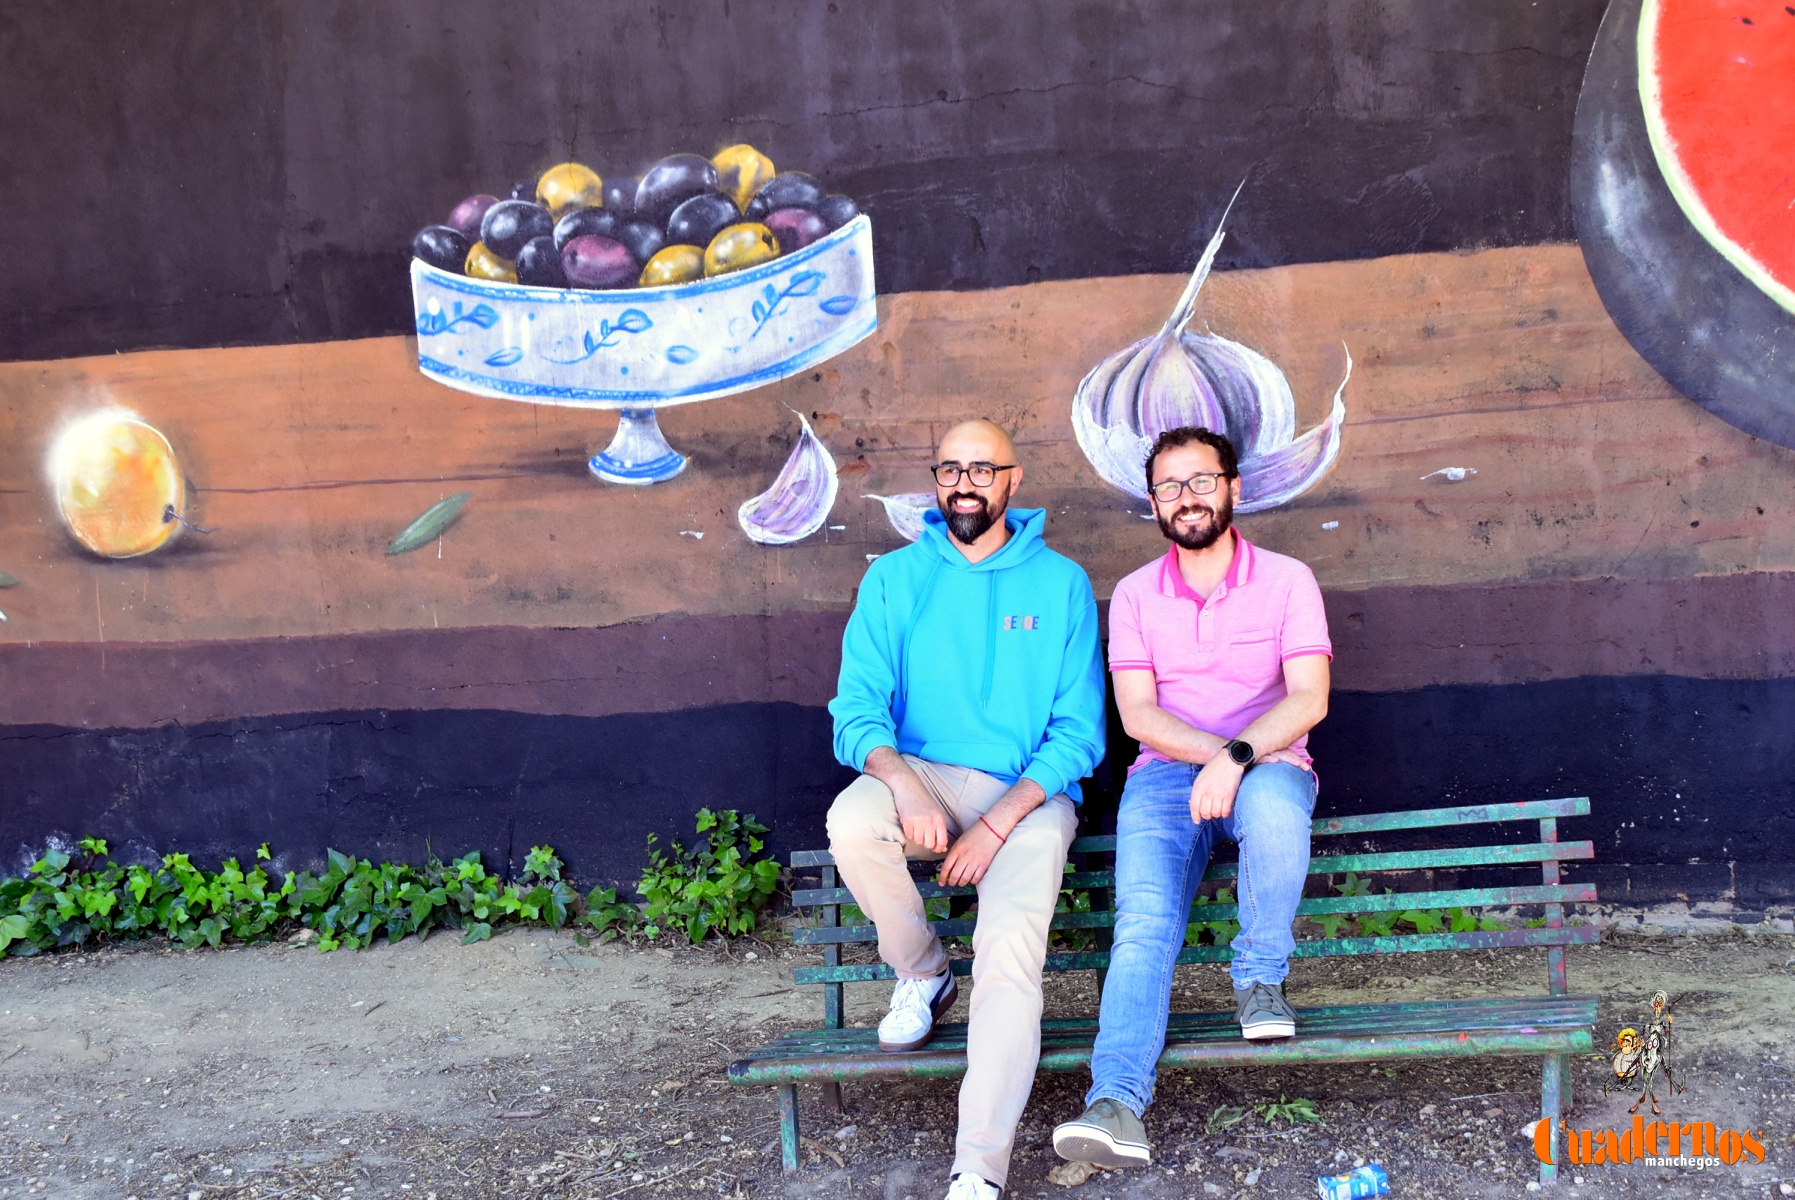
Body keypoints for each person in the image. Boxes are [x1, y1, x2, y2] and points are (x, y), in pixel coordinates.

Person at [827, 419, 1107, 1200]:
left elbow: (1078, 734)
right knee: (853, 819)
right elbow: (855, 709)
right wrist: (904, 782)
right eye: (950, 469)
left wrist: (995, 823)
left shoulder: (1061, 583)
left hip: (1028, 796)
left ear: (1013, 480)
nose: (964, 483)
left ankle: (977, 1169)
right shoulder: (893, 578)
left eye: (982, 469)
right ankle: (922, 973)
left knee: (1009, 955)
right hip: (922, 773)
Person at [1051, 425, 1332, 1171]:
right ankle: (1115, 1102)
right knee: (1143, 923)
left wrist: (1238, 758)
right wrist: (1215, 759)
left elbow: (1309, 698)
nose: (1187, 497)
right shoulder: (1135, 595)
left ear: (1232, 487)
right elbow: (1139, 716)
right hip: (1167, 776)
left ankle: (1260, 979)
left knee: (1274, 808)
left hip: (1268, 763)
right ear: (1153, 503)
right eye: (1170, 486)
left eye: (1201, 480)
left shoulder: (1288, 580)